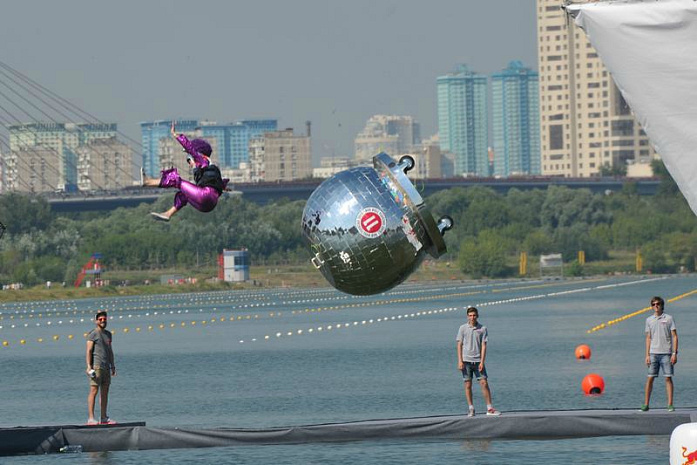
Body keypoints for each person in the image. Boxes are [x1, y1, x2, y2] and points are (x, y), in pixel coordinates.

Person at [142, 122, 229, 221]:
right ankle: (168, 214)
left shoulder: (202, 159)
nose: (189, 161)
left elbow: (190, 148)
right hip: (209, 205)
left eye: (189, 158)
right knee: (183, 194)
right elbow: (218, 184)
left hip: (205, 196)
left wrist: (175, 135)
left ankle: (148, 182)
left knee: (176, 180)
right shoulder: (210, 166)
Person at [456, 306, 501, 417]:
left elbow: (484, 346)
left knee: (484, 383)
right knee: (468, 385)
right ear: (467, 316)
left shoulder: (483, 328)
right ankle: (471, 408)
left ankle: (489, 408)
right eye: (470, 315)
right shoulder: (462, 328)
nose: (472, 317)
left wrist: (482, 361)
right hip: (466, 361)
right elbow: (459, 345)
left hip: (478, 361)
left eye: (474, 315)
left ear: (477, 316)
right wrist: (460, 361)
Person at [641, 296, 678, 412]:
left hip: (666, 354)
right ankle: (646, 404)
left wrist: (674, 353)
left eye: (657, 304)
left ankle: (670, 405)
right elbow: (648, 338)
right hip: (653, 353)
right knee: (650, 378)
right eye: (653, 304)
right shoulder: (649, 320)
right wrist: (647, 355)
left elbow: (675, 336)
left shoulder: (669, 319)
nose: (655, 306)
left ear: (662, 305)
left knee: (668, 378)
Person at [86, 311, 116, 425]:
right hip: (96, 367)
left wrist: (112, 365)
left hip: (106, 367)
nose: (103, 321)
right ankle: (91, 418)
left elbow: (110, 351)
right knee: (94, 390)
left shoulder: (108, 334)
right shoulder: (93, 334)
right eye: (101, 319)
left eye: (105, 319)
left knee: (105, 392)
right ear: (96, 321)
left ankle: (104, 417)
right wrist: (89, 367)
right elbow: (88, 350)